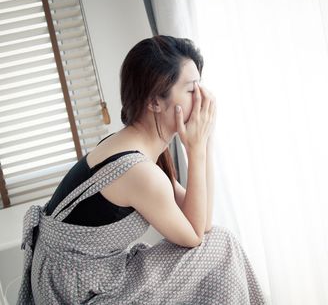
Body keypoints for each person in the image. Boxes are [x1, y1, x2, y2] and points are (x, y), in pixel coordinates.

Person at [16, 35, 268, 304]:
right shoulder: (139, 172)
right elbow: (195, 235)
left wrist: (205, 140)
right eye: (192, 90)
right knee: (222, 245)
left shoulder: (134, 147)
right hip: (78, 291)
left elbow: (201, 221)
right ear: (155, 102)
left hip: (80, 275)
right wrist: (195, 149)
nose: (204, 99)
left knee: (219, 241)